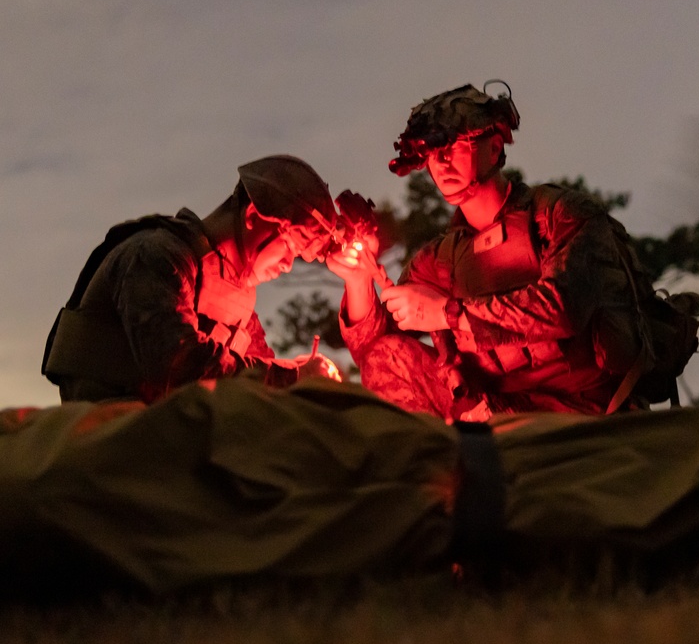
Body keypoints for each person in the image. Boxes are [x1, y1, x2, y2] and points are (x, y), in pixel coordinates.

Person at [328, 82, 658, 421]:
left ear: (494, 147)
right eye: (430, 153)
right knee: (388, 353)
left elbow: (562, 306)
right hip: (493, 409)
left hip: (584, 408)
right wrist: (358, 281)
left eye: (454, 147)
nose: (441, 163)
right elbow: (376, 351)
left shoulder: (559, 215)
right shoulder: (440, 260)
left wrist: (448, 314)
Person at [42, 154, 341, 404]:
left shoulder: (236, 301)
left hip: (164, 436)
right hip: (103, 434)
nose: (288, 264)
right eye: (288, 245)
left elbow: (255, 381)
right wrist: (293, 376)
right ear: (252, 217)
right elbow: (178, 365)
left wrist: (299, 377)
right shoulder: (155, 256)